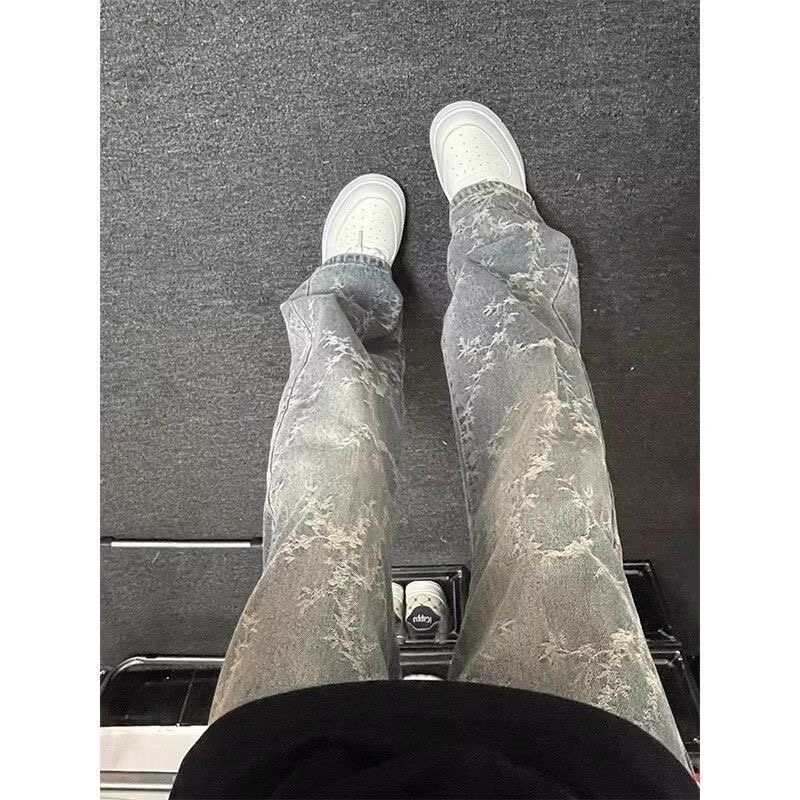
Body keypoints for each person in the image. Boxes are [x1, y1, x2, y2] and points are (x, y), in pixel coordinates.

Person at [171, 101, 699, 799]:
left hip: (282, 772)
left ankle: (348, 296)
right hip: (584, 770)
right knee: (551, 500)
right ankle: (497, 237)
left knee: (319, 530)